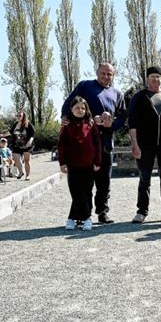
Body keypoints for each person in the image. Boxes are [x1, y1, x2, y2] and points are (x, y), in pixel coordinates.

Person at [61, 62, 126, 224]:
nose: (106, 77)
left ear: (113, 75)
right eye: (103, 73)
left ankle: (102, 212)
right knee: (84, 184)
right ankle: (83, 214)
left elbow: (123, 117)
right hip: (84, 145)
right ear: (97, 72)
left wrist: (113, 124)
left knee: (104, 181)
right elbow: (70, 103)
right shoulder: (85, 86)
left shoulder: (117, 93)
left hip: (105, 143)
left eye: (109, 74)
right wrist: (65, 117)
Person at [129, 67, 161, 224]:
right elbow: (132, 123)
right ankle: (141, 212)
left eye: (158, 76)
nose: (155, 79)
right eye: (152, 76)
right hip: (145, 144)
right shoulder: (139, 97)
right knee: (145, 178)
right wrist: (135, 144)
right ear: (147, 78)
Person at [58, 96, 102, 231]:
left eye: (83, 108)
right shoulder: (66, 126)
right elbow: (61, 145)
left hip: (88, 164)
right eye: (77, 108)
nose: (80, 110)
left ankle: (85, 218)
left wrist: (97, 161)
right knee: (75, 192)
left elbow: (97, 144)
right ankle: (76, 217)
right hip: (72, 164)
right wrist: (62, 162)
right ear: (71, 109)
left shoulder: (90, 124)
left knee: (87, 192)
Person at [7, 110, 35, 181]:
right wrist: (3, 135)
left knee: (26, 160)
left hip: (26, 145)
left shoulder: (28, 124)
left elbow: (32, 134)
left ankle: (27, 175)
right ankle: (21, 172)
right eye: (17, 115)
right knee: (16, 158)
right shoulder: (15, 124)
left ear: (23, 116)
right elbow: (10, 132)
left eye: (20, 116)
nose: (18, 117)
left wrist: (30, 141)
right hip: (17, 145)